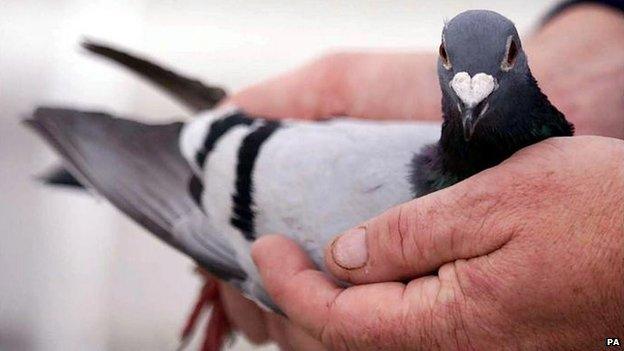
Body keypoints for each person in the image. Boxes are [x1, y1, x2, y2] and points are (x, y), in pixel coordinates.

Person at [200, 3, 623, 350]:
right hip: (239, 164)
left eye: (507, 57)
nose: (471, 93)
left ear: (518, 57)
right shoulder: (368, 202)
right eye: (449, 60)